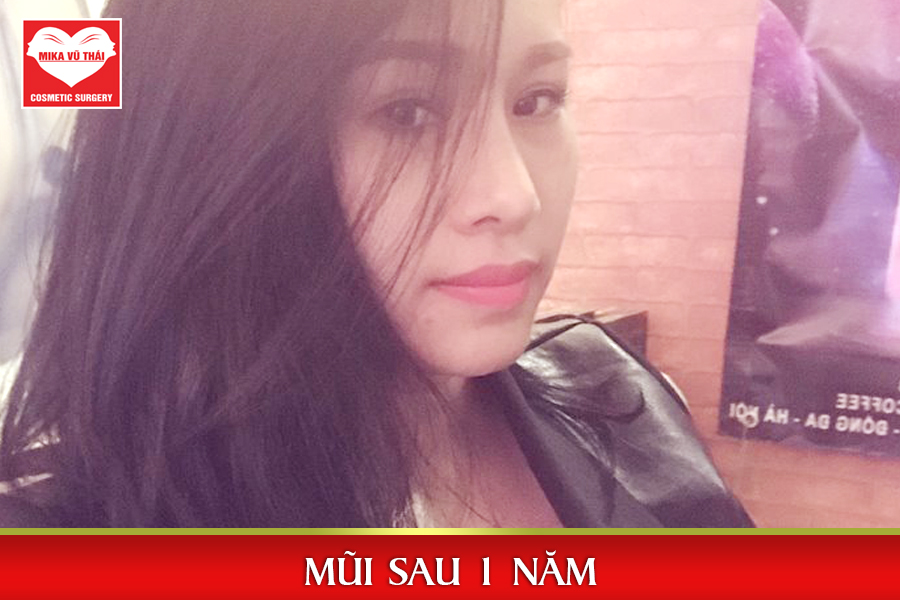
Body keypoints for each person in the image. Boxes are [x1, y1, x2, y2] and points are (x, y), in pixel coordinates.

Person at [0, 0, 752, 528]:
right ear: (213, 154)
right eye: (408, 111)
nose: (515, 195)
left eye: (536, 100)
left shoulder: (620, 397)